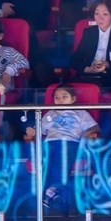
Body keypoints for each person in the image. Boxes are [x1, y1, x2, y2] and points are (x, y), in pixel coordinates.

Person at [33, 84, 100, 214]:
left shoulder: (81, 113)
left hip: (71, 142)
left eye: (64, 97)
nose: (60, 100)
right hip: (51, 142)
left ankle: (49, 191)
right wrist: (33, 131)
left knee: (62, 153)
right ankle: (52, 191)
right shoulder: (50, 114)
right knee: (46, 157)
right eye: (56, 97)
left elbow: (95, 128)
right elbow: (39, 130)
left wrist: (85, 133)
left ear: (73, 99)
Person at [69, 0, 111, 91]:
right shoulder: (89, 33)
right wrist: (88, 69)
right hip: (89, 76)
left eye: (105, 14)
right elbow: (74, 60)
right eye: (97, 14)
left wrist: (107, 64)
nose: (100, 18)